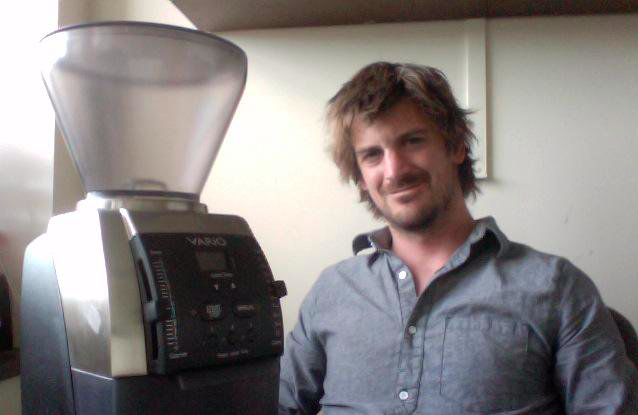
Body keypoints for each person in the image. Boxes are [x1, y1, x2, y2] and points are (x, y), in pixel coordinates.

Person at [278, 62, 638, 414]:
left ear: (455, 146)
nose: (395, 170)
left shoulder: (556, 288)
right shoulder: (331, 291)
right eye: (372, 155)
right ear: (359, 176)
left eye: (413, 141)